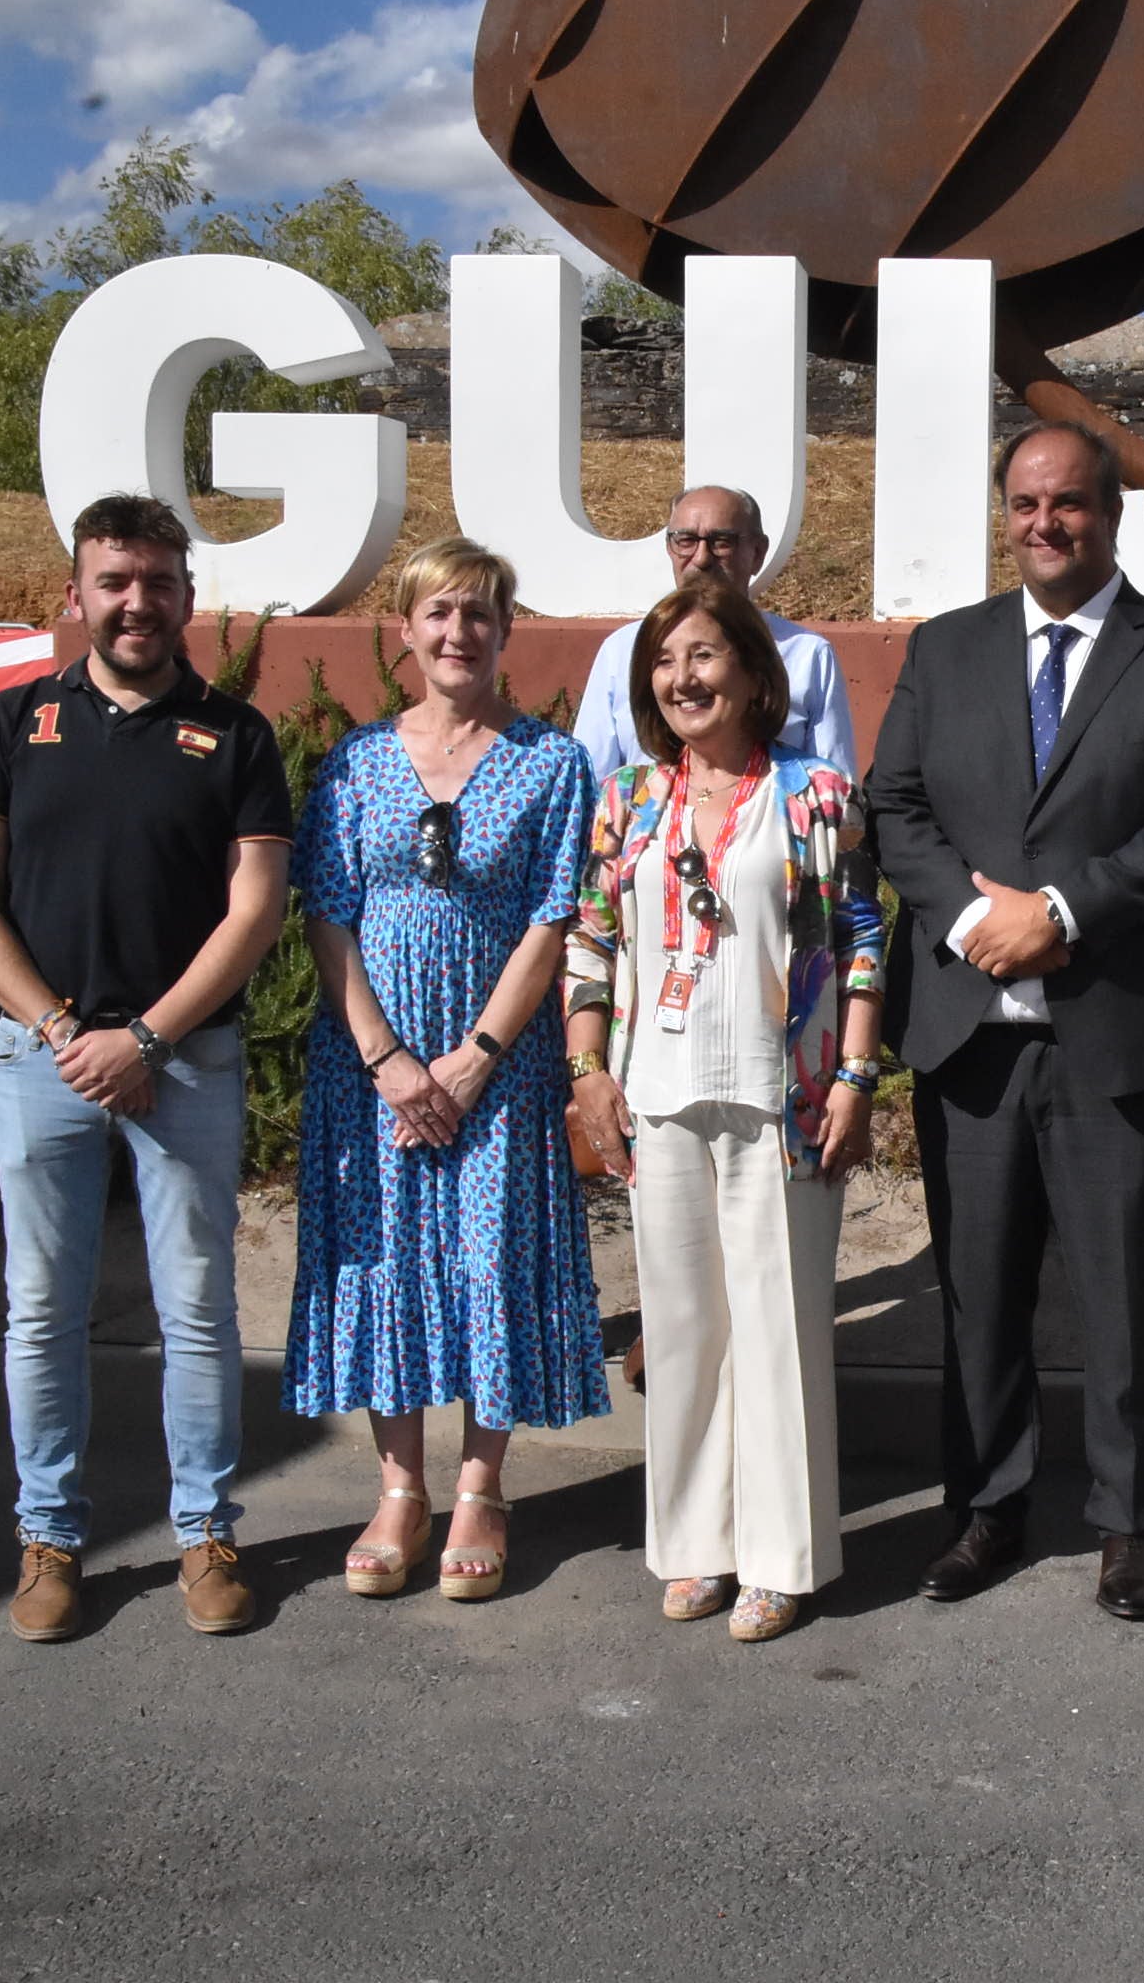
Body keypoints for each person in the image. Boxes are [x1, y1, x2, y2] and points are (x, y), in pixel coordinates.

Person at [869, 419, 1144, 1622]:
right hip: (971, 1035)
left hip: (1123, 1036)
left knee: (1130, 1293)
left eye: (1070, 503)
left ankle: (1130, 1523)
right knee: (978, 1290)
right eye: (1026, 503)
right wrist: (974, 924)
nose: (1046, 523)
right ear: (1007, 511)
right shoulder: (946, 648)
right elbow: (897, 803)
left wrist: (1062, 913)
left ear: (1112, 511)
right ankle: (986, 1508)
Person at [0, 493, 293, 1642]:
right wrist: (63, 1033)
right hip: (38, 1057)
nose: (135, 600)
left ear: (188, 597)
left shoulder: (236, 736)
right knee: (41, 1309)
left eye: (156, 581)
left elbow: (254, 912)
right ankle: (49, 1537)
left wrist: (143, 1038)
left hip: (186, 1061)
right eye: (114, 580)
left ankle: (206, 1533)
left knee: (196, 1309)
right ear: (77, 593)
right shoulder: (10, 722)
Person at [285, 536, 608, 1603]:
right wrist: (384, 1055)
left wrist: (473, 1057)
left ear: (506, 630)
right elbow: (328, 915)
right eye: (438, 613)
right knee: (388, 1267)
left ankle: (481, 1486)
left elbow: (552, 921)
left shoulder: (551, 763)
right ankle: (398, 1487)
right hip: (368, 1063)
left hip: (495, 1067)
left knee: (489, 1265)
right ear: (408, 628)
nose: (458, 632)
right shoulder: (356, 761)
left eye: (479, 614)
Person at [563, 577, 884, 1641]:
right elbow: (592, 939)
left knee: (778, 1332)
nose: (680, 677)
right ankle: (697, 1543)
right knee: (687, 1326)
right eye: (663, 660)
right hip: (657, 1097)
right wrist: (588, 1070)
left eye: (702, 655)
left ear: (751, 672)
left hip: (781, 1098)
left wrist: (854, 1076)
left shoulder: (816, 794)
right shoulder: (630, 801)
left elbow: (862, 938)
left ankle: (782, 1556)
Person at [570, 485, 854, 782]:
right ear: (670, 548)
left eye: (721, 542)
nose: (702, 557)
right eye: (686, 540)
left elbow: (837, 791)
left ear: (757, 553)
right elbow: (591, 783)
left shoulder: (807, 655)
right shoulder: (622, 651)